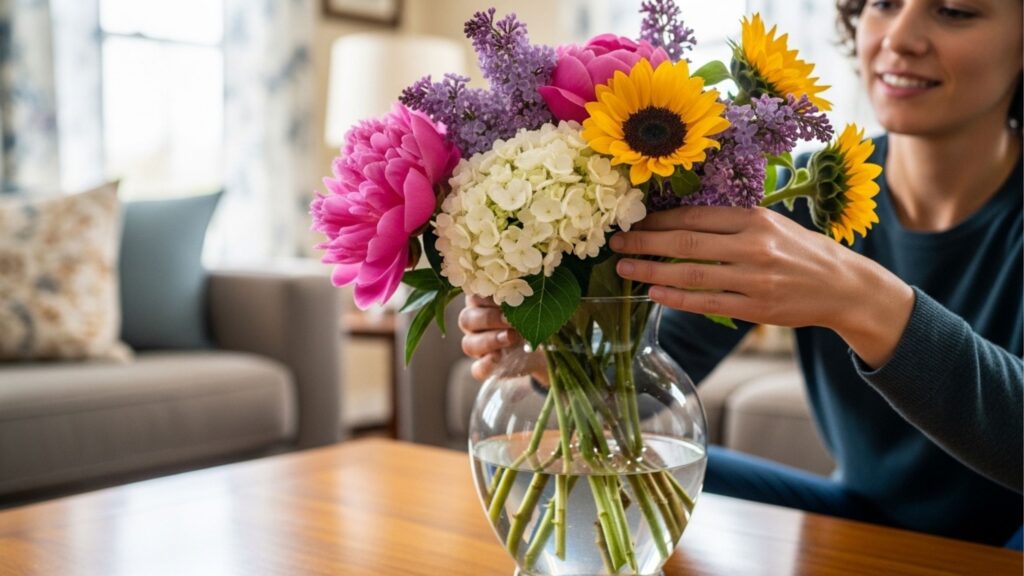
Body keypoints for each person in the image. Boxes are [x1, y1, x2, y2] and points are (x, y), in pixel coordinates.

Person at [457, 0, 1023, 548]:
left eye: (954, 11)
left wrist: (862, 299)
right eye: (882, 3)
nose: (899, 38)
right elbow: (655, 371)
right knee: (642, 462)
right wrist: (561, 349)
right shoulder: (803, 192)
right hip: (858, 510)